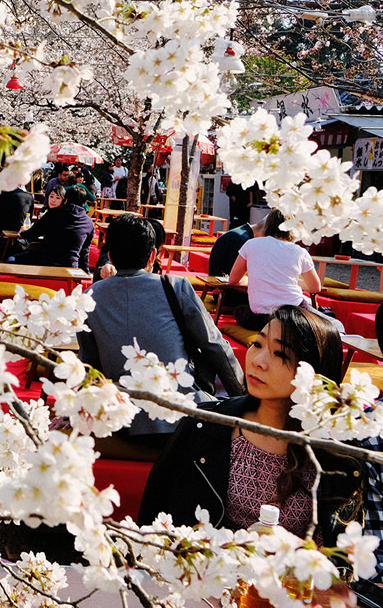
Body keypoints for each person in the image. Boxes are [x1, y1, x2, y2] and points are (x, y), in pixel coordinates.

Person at [138, 306, 362, 545]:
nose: (258, 361)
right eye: (257, 344)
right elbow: (155, 516)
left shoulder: (336, 455)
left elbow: (340, 560)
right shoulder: (205, 425)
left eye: (280, 354)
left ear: (314, 374)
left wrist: (294, 547)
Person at [78, 214, 244, 456]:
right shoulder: (175, 286)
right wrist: (245, 401)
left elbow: (90, 363)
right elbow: (215, 347)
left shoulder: (90, 297)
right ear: (153, 256)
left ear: (110, 256)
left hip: (121, 421)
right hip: (182, 417)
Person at [228, 209, 330, 331]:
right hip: (294, 315)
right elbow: (315, 287)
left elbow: (233, 280)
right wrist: (289, 281)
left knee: (240, 311)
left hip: (261, 318)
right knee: (330, 321)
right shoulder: (300, 252)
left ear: (268, 224)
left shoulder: (251, 244)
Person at [10, 185, 94, 272]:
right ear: (84, 203)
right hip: (70, 265)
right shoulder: (89, 223)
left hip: (45, 260)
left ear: (66, 200)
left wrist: (23, 232)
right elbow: (84, 252)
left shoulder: (53, 213)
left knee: (10, 259)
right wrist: (86, 273)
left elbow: (33, 234)